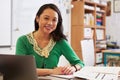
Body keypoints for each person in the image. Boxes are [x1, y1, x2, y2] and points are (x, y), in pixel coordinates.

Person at [16, 3, 84, 76]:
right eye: (46, 18)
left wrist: (73, 68)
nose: (50, 23)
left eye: (54, 20)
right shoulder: (23, 41)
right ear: (37, 19)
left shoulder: (60, 41)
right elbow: (20, 69)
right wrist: (52, 71)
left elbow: (79, 63)